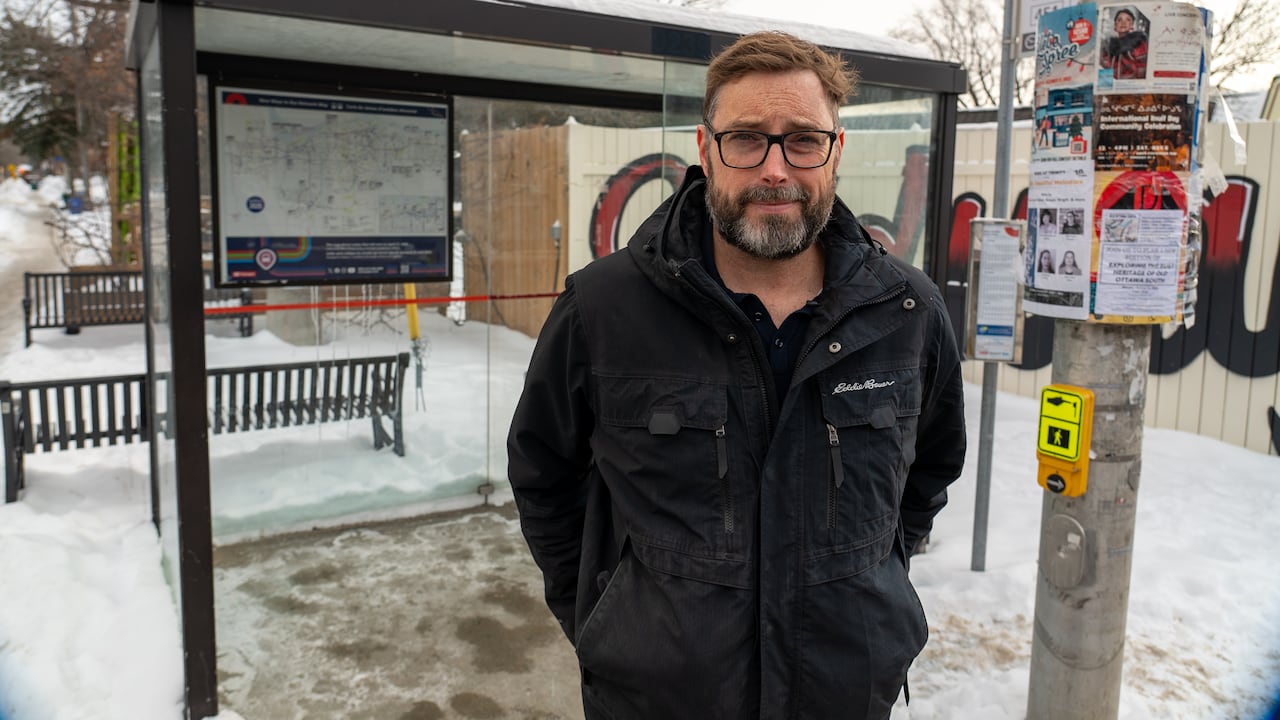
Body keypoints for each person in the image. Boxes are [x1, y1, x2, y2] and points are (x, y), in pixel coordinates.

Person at [507, 30, 967, 720]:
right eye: (747, 139)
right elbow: (545, 472)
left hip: (842, 698)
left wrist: (868, 584)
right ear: (705, 149)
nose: (775, 169)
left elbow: (927, 473)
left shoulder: (908, 311)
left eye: (802, 141)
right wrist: (605, 617)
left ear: (835, 151)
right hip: (658, 701)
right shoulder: (604, 309)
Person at [1101, 8, 1148, 80]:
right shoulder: (1108, 47)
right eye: (1119, 20)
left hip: (1131, 87)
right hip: (1112, 87)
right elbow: (1104, 69)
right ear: (1115, 26)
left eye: (1128, 20)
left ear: (1132, 26)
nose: (1123, 23)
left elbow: (1142, 70)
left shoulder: (1138, 44)